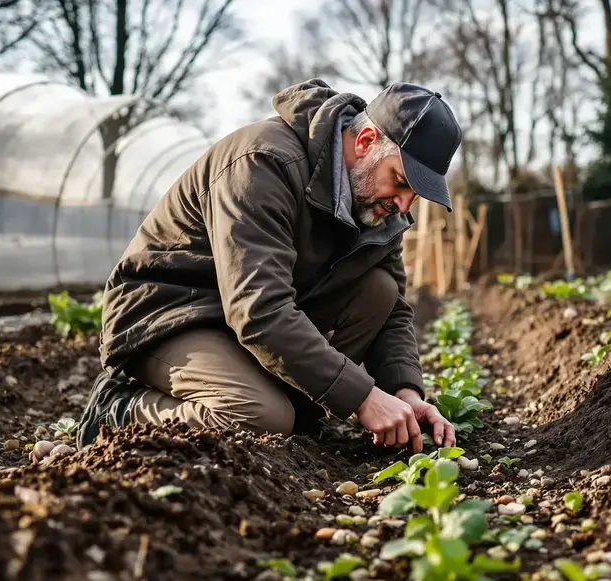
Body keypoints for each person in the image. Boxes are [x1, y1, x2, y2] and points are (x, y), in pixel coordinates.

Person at [76, 78, 460, 452]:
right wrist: (362, 398)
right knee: (258, 418)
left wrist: (403, 393)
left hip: (241, 320)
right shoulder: (264, 163)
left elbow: (392, 312)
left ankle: (292, 412)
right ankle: (117, 409)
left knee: (379, 289)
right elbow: (259, 308)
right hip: (173, 312)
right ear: (364, 142)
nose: (404, 205)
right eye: (399, 181)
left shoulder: (378, 207)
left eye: (415, 195)